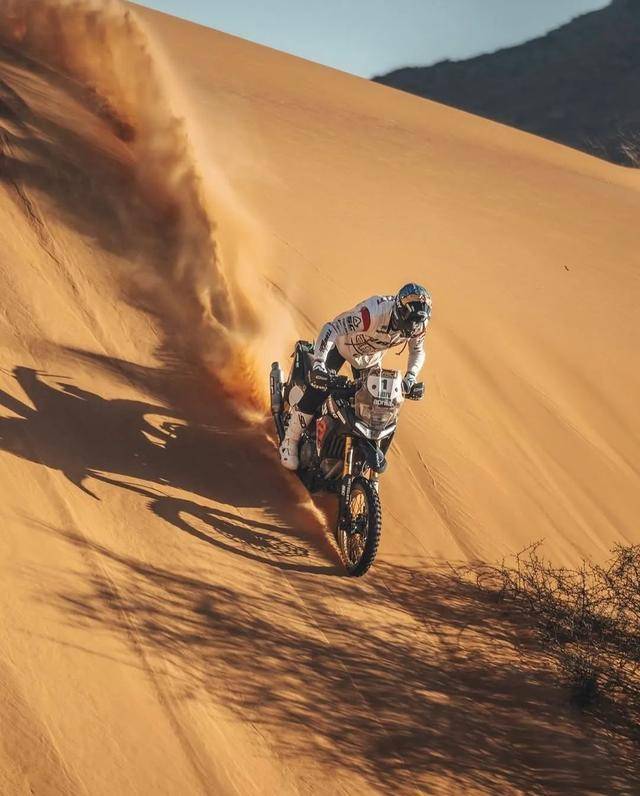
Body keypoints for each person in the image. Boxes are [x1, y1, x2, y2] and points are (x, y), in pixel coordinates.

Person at [279, 282, 432, 470]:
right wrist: (319, 363)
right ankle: (290, 441)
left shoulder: (418, 326)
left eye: (419, 322)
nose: (414, 328)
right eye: (411, 321)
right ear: (400, 312)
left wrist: (411, 377)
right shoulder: (371, 315)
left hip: (369, 361)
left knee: (373, 409)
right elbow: (332, 328)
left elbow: (418, 351)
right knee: (318, 387)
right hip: (341, 348)